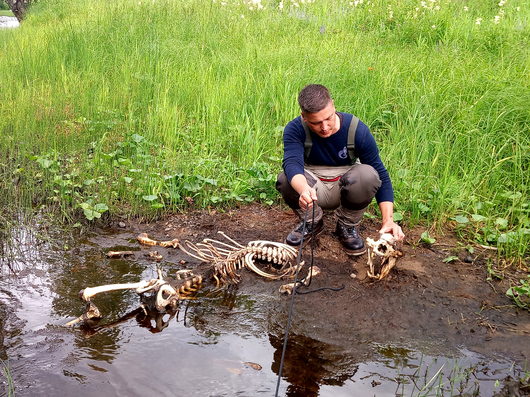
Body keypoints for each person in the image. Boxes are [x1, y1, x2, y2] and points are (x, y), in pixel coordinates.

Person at [276, 84, 405, 255]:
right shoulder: (295, 128)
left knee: (368, 175)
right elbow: (292, 163)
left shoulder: (356, 129)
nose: (324, 127)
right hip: (312, 187)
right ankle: (312, 221)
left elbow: (380, 173)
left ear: (334, 106)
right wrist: (304, 189)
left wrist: (388, 219)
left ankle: (347, 225)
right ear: (304, 117)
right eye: (316, 122)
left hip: (345, 184)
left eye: (328, 118)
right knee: (286, 179)